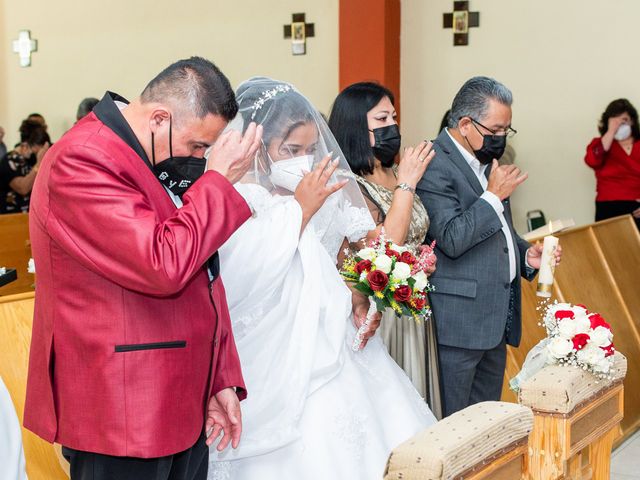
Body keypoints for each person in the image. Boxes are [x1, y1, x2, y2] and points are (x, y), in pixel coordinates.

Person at [24, 57, 263, 480]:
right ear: (159, 119)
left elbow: (203, 274)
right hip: (123, 411)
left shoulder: (147, 157)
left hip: (180, 399)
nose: (199, 158)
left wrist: (218, 376)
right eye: (196, 146)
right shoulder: (82, 159)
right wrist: (219, 183)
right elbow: (163, 263)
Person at [207, 77, 436, 480]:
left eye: (311, 148)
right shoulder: (240, 196)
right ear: (259, 144)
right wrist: (299, 210)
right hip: (272, 339)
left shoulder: (327, 183)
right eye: (291, 150)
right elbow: (243, 275)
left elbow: (348, 257)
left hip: (336, 333)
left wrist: (362, 292)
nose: (305, 159)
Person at [417, 76, 561, 417]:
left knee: (485, 426)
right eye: (496, 130)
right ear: (466, 124)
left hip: (494, 318)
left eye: (507, 130)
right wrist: (493, 195)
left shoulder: (483, 162)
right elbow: (450, 238)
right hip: (459, 323)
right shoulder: (433, 163)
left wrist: (526, 254)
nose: (501, 139)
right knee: (453, 425)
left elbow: (499, 231)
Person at [328, 82, 442, 417]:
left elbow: (412, 238)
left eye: (394, 116)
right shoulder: (350, 184)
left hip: (413, 307)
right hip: (381, 310)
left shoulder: (392, 171)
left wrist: (421, 261)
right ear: (355, 127)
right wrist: (407, 184)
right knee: (396, 407)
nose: (393, 124)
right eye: (382, 118)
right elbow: (384, 249)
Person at [584, 98, 640, 229]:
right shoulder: (599, 144)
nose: (620, 124)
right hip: (608, 208)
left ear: (632, 121)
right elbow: (591, 160)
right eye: (615, 120)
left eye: (624, 120)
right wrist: (611, 131)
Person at [0, 121, 50, 214]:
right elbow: (23, 188)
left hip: (31, 217)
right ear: (25, 145)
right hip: (10, 220)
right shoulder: (9, 160)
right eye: (36, 151)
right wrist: (39, 164)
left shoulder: (30, 160)